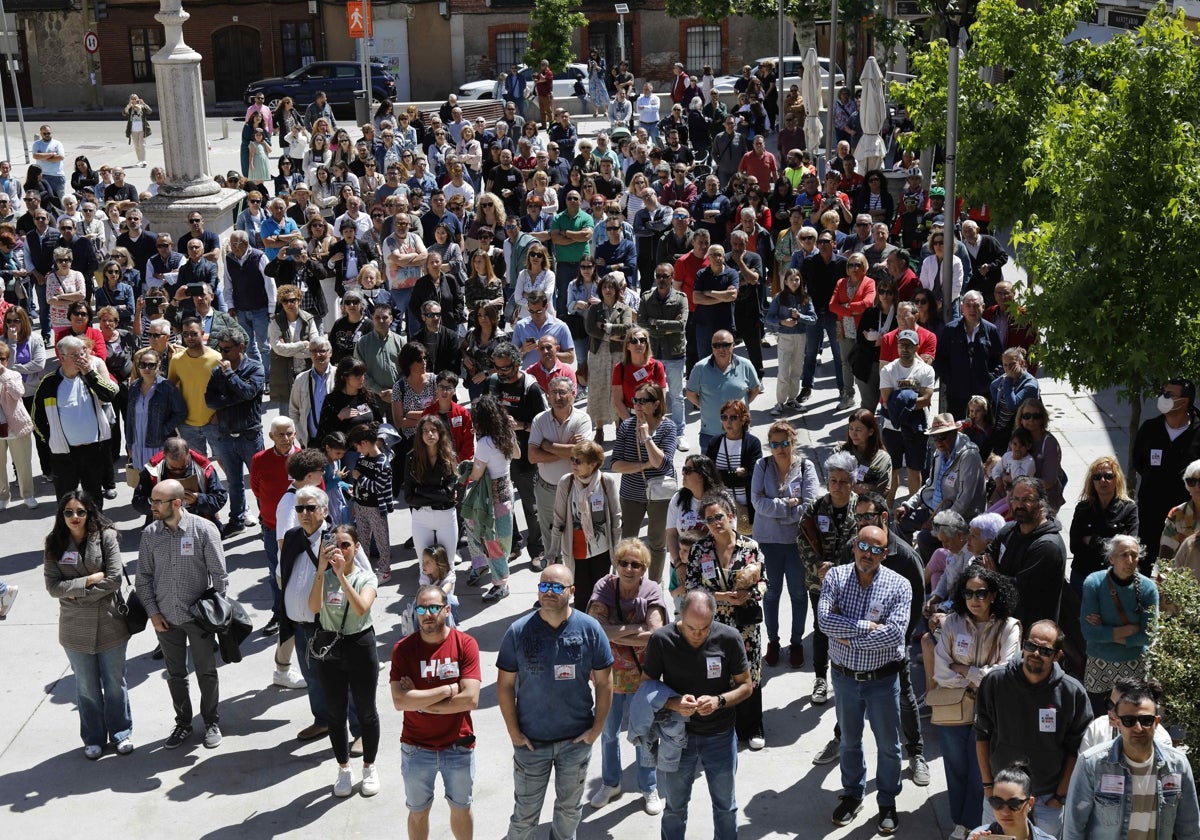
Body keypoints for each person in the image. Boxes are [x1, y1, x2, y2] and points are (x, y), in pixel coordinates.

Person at [497, 563, 613, 840]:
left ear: (572, 591)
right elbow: (505, 686)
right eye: (544, 586)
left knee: (569, 812)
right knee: (524, 816)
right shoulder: (518, 631)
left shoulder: (590, 629)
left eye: (557, 587)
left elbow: (605, 682)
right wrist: (514, 733)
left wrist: (596, 730)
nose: (549, 592)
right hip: (531, 743)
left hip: (575, 742)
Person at [817, 525, 912, 834]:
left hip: (882, 681)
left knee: (888, 745)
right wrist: (867, 628)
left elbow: (895, 633)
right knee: (849, 742)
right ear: (855, 546)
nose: (867, 554)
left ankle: (886, 801)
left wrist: (849, 638)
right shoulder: (835, 576)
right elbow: (824, 621)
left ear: (885, 553)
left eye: (876, 549)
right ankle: (853, 795)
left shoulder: (900, 585)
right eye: (863, 546)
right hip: (844, 679)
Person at [639, 589, 752, 840]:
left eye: (705, 628)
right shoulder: (662, 640)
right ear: (680, 615)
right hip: (678, 738)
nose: (698, 634)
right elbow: (646, 686)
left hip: (720, 735)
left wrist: (719, 701)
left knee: (725, 806)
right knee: (675, 808)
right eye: (691, 628)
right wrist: (673, 703)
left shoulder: (729, 638)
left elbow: (746, 686)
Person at [974, 619, 1092, 838]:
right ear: (1023, 645)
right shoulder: (995, 682)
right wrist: (988, 785)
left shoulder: (1071, 693)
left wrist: (1060, 796)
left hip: (1048, 797)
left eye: (1045, 650)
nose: (1036, 653)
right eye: (1031, 646)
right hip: (1001, 795)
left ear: (1057, 656)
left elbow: (1075, 750)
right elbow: (982, 735)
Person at [135, 478, 229, 750]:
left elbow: (220, 578)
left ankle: (211, 721)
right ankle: (183, 722)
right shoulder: (150, 535)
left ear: (177, 503)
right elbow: (143, 580)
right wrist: (153, 614)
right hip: (165, 618)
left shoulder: (203, 530)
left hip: (198, 619)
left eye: (157, 501)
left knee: (206, 672)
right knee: (175, 675)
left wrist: (215, 614)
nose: (152, 506)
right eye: (152, 500)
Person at [929, 565, 1021, 839]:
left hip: (990, 711)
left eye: (981, 593)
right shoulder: (952, 623)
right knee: (956, 768)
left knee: (981, 771)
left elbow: (1005, 674)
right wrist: (980, 675)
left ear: (993, 594)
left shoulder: (1010, 626)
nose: (974, 599)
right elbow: (942, 672)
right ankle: (960, 821)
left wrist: (965, 670)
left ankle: (973, 823)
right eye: (968, 593)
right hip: (953, 708)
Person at [43, 491, 132, 759]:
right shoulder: (54, 542)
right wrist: (89, 581)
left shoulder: (106, 536)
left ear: (89, 513)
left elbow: (115, 579)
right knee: (86, 687)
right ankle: (93, 738)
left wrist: (75, 594)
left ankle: (121, 733)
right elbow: (52, 586)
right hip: (74, 628)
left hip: (110, 622)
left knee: (115, 683)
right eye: (68, 512)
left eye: (80, 511)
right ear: (62, 515)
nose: (74, 517)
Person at [389, 583, 482, 840]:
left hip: (458, 746)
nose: (427, 614)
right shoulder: (404, 649)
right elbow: (399, 701)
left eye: (433, 607)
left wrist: (419, 702)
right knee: (418, 812)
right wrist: (448, 689)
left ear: (447, 609)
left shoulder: (465, 644)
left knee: (461, 809)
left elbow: (470, 700)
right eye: (421, 608)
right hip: (416, 748)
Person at [585, 538, 668, 814]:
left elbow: (656, 634)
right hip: (608, 676)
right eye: (624, 562)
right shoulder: (604, 586)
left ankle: (648, 787)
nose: (629, 568)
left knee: (644, 734)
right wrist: (635, 629)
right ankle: (611, 783)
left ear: (644, 568)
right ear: (616, 564)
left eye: (636, 564)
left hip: (644, 677)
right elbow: (596, 629)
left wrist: (615, 630)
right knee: (608, 733)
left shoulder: (652, 589)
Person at [1063, 682, 1200, 840]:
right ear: (1117, 722)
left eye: (1146, 720)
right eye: (1129, 720)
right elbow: (1074, 828)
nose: (1138, 728)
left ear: (1156, 722)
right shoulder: (1092, 764)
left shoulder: (1178, 765)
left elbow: (1189, 829)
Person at [685, 491, 768, 751]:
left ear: (731, 516)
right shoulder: (700, 549)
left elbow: (765, 581)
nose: (715, 523)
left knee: (750, 674)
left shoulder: (750, 547)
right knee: (718, 673)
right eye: (709, 520)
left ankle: (753, 725)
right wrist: (720, 597)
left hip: (745, 623)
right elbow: (691, 588)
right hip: (714, 624)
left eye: (719, 516)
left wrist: (749, 594)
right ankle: (724, 726)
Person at [307, 523, 381, 798]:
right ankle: (343, 768)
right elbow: (313, 607)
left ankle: (369, 767)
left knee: (366, 711)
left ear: (357, 548)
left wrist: (341, 576)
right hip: (330, 647)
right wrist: (321, 571)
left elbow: (362, 608)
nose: (340, 550)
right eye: (335, 545)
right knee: (336, 714)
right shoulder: (324, 577)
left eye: (346, 545)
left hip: (360, 645)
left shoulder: (366, 577)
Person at [751, 420, 819, 669]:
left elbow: (809, 505)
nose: (780, 448)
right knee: (770, 594)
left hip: (796, 542)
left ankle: (796, 642)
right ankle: (773, 641)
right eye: (775, 444)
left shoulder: (806, 466)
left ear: (793, 442)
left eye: (785, 443)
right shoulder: (762, 464)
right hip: (767, 542)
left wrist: (779, 509)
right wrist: (788, 505)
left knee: (798, 594)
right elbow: (756, 502)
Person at [798, 451, 861, 709]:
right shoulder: (816, 508)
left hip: (854, 582)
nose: (837, 486)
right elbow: (802, 540)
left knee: (850, 627)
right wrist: (817, 567)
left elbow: (868, 544)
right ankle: (821, 678)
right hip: (819, 582)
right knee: (822, 626)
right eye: (833, 480)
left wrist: (837, 569)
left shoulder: (863, 507)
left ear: (853, 482)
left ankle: (848, 674)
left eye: (843, 481)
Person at [31, 335, 119, 504]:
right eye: (76, 355)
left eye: (83, 353)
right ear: (62, 358)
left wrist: (90, 374)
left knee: (93, 497)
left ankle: (95, 528)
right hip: (64, 453)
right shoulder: (49, 383)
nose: (82, 359)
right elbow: (36, 418)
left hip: (93, 449)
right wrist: (50, 439)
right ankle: (67, 530)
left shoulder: (90, 376)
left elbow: (109, 395)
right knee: (66, 499)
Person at [483, 342, 549, 567]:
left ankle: (538, 550)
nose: (501, 373)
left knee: (531, 505)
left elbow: (543, 425)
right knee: (503, 503)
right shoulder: (493, 383)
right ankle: (512, 545)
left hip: (525, 456)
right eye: (497, 368)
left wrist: (520, 424)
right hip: (499, 455)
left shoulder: (530, 388)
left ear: (518, 363)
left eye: (506, 368)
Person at [1080, 535, 1158, 715]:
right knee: (1098, 717)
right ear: (1111, 558)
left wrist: (1106, 632)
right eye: (1124, 555)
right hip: (1098, 664)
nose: (1130, 560)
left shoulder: (1148, 588)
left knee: (1131, 717)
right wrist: (1130, 629)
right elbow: (1089, 632)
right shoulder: (1094, 583)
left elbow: (1147, 636)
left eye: (1134, 555)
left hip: (1133, 665)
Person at [612, 383, 679, 586]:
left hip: (660, 495)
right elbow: (615, 465)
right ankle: (627, 583)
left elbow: (662, 463)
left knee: (658, 542)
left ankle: (654, 585)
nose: (638, 405)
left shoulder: (668, 427)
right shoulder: (625, 426)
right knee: (628, 541)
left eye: (643, 401)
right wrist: (644, 465)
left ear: (656, 403)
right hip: (631, 494)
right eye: (635, 400)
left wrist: (647, 436)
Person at [895, 413, 986, 561]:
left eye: (942, 436)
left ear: (954, 432)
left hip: (960, 518)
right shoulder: (939, 453)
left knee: (925, 538)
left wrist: (938, 524)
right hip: (935, 510)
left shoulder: (969, 456)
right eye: (935, 437)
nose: (938, 442)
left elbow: (964, 501)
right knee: (901, 520)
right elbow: (930, 484)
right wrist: (908, 505)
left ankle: (929, 577)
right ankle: (908, 563)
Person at [205, 328, 266, 537]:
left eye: (227, 349)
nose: (222, 354)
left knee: (259, 481)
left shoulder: (255, 368)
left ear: (241, 347)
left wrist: (230, 375)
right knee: (233, 481)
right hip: (226, 434)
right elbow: (210, 400)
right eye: (220, 349)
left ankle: (266, 519)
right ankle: (236, 520)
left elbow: (249, 392)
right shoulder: (217, 371)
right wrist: (235, 398)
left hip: (249, 435)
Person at [989, 476, 1068, 630]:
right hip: (1003, 624)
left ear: (1041, 503)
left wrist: (993, 575)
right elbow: (982, 559)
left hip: (1032, 633)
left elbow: (1019, 590)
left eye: (1027, 499)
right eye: (1015, 499)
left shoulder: (1048, 547)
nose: (1019, 505)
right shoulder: (1008, 531)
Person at [463, 395, 519, 600]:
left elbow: (476, 474)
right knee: (499, 541)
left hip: (490, 500)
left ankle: (501, 583)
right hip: (506, 495)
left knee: (487, 537)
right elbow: (518, 455)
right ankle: (495, 572)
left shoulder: (486, 442)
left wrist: (470, 465)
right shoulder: (506, 434)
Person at [685, 330, 762, 451]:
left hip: (739, 433)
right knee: (708, 470)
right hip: (710, 434)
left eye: (726, 345)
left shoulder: (746, 365)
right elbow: (690, 394)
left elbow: (755, 389)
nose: (721, 349)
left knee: (741, 470)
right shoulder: (700, 368)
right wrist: (705, 406)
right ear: (712, 347)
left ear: (733, 345)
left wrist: (740, 406)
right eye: (717, 346)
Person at [935, 290, 1003, 420]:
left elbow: (999, 359)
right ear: (962, 308)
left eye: (976, 306)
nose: (972, 309)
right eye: (968, 305)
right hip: (957, 394)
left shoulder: (991, 330)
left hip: (983, 394)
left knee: (983, 431)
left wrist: (990, 378)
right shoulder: (950, 330)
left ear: (983, 307)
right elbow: (940, 359)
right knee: (958, 430)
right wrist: (950, 380)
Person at [585, 273, 635, 442]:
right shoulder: (594, 308)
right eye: (605, 287)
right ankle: (599, 429)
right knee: (598, 389)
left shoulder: (624, 308)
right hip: (598, 354)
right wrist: (610, 336)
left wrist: (606, 327)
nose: (608, 290)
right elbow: (590, 328)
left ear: (616, 290)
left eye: (611, 287)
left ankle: (618, 427)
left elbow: (627, 327)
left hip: (617, 354)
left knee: (616, 389)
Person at [641, 262, 689, 435]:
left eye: (665, 276)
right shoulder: (647, 298)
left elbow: (681, 325)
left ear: (672, 277)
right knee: (652, 396)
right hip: (653, 354)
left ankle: (679, 431)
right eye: (658, 276)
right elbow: (641, 325)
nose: (661, 280)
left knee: (676, 396)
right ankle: (655, 430)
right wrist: (667, 327)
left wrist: (655, 323)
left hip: (674, 354)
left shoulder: (681, 298)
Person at [404, 416, 458, 561]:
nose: (430, 434)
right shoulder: (411, 458)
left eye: (433, 430)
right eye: (425, 431)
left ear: (440, 433)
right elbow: (409, 497)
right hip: (420, 517)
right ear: (420, 435)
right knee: (424, 567)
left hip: (445, 515)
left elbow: (448, 494)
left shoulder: (450, 457)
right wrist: (437, 494)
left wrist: (420, 491)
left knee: (448, 564)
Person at [705, 399, 762, 533]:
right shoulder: (715, 442)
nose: (728, 422)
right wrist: (734, 473)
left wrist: (721, 475)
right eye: (724, 417)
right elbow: (708, 474)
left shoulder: (752, 443)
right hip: (718, 506)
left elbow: (751, 477)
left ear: (743, 419)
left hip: (745, 507)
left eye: (733, 417)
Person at [764, 268, 816, 414]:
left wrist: (800, 317)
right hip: (785, 337)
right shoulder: (780, 297)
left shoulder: (805, 298)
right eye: (791, 279)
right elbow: (769, 317)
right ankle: (780, 401)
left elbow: (813, 319)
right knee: (784, 370)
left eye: (797, 279)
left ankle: (792, 399)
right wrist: (782, 322)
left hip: (800, 336)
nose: (794, 282)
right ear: (785, 282)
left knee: (797, 369)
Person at [967, 761, 1058, 840]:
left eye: (1014, 804)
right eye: (997, 803)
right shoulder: (977, 836)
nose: (1005, 812)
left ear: (1030, 803)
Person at [1015, 396, 1066, 514]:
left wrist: (1020, 487)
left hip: (1043, 497)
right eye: (1027, 416)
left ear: (1042, 419)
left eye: (1036, 416)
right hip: (1018, 492)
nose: (1031, 420)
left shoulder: (1049, 444)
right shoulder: (1017, 438)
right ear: (1021, 419)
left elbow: (1048, 482)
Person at [0, 340, 35, 509]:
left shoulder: (13, 375)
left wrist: (3, 374)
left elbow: (18, 393)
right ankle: (3, 496)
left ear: (6, 360)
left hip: (16, 426)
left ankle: (28, 495)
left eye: (2, 358)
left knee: (23, 464)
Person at [1160, 457, 1200, 563]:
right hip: (1185, 577)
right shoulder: (1177, 514)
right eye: (1192, 481)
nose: (1197, 486)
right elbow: (1165, 557)